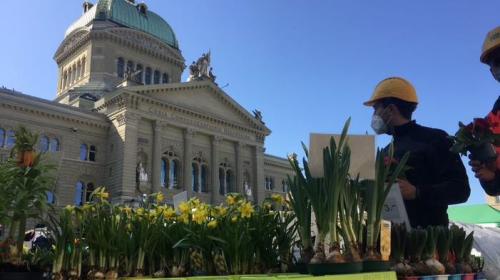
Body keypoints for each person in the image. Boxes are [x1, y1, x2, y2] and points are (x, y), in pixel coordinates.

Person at [364, 77, 471, 227]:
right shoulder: (386, 151)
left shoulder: (435, 139)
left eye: (376, 108)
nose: (373, 115)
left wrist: (416, 192)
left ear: (391, 109)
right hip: (388, 240)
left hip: (425, 243)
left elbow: (460, 190)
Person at [468, 26, 500, 196]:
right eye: (497, 61)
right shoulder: (487, 125)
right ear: (492, 71)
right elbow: (494, 189)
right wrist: (489, 177)